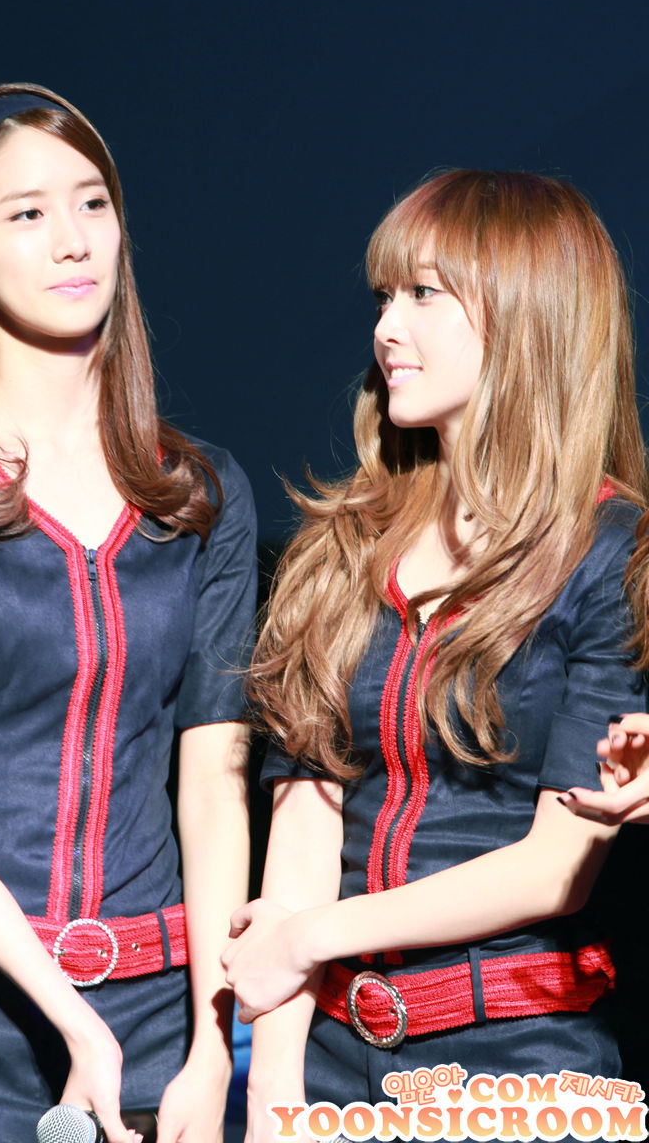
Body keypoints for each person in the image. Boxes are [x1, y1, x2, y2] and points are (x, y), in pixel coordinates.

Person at [0, 83, 257, 1143]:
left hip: (156, 1019)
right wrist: (76, 1023)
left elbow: (212, 787)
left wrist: (212, 1045)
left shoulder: (200, 493)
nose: (72, 239)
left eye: (92, 203)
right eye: (26, 213)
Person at [220, 170, 648, 1138]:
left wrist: (312, 936)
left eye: (422, 294)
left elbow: (555, 869)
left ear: (526, 316)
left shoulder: (611, 554)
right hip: (330, 1064)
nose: (386, 328)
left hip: (521, 1066)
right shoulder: (342, 547)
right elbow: (306, 823)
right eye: (383, 296)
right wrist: (277, 1092)